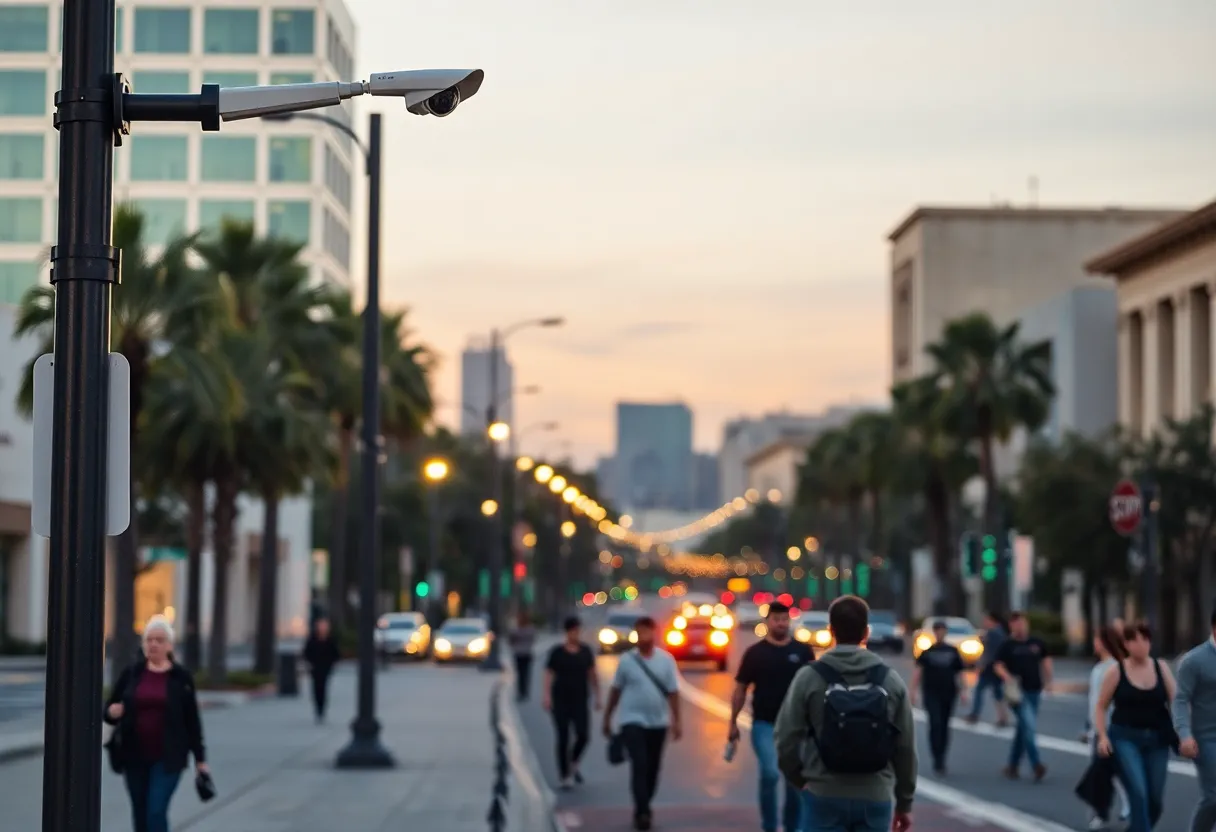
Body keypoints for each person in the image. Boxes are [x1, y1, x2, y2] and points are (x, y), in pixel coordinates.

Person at [775, 595, 917, 832]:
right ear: (866, 632)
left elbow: (785, 738)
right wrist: (904, 802)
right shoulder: (889, 680)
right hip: (875, 796)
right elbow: (905, 747)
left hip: (823, 793)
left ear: (831, 631)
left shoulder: (809, 677)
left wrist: (800, 780)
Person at [103, 615, 208, 832]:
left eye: (159, 640)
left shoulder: (181, 677)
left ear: (169, 645)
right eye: (149, 640)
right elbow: (109, 709)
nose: (153, 644)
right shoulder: (132, 674)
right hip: (134, 755)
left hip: (169, 757)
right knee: (140, 814)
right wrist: (112, 712)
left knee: (156, 811)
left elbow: (192, 721)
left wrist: (200, 760)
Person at [729, 601, 814, 832]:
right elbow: (740, 689)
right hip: (764, 724)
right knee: (770, 772)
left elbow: (814, 689)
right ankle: (769, 826)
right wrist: (733, 723)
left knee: (794, 780)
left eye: (785, 619)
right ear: (767, 622)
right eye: (776, 619)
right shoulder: (755, 653)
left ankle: (792, 826)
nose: (781, 624)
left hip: (796, 727)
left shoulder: (802, 651)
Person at [1094, 622, 1176, 832]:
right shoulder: (1116, 671)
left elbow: (1177, 702)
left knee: (1155, 799)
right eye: (1136, 640)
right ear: (1127, 644)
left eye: (1146, 639)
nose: (1142, 645)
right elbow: (1101, 706)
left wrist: (1185, 734)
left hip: (1158, 740)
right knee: (1138, 792)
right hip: (1125, 738)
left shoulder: (1161, 667)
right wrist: (1102, 736)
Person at [602, 615, 682, 831]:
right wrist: (608, 717)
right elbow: (615, 690)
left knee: (653, 768)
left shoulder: (665, 660)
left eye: (646, 631)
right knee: (640, 764)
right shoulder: (627, 661)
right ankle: (643, 811)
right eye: (639, 632)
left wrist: (677, 721)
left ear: (654, 633)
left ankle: (644, 803)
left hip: (658, 722)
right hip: (632, 720)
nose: (642, 636)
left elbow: (674, 692)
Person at [993, 611, 1052, 782]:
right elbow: (998, 665)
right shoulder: (1007, 645)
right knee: (1028, 725)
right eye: (1016, 623)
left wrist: (1049, 680)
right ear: (1011, 626)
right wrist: (1008, 677)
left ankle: (1012, 765)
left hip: (1034, 689)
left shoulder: (1036, 643)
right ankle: (1036, 763)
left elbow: (1046, 660)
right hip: (1016, 693)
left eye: (1022, 623)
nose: (1020, 626)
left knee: (1023, 728)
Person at [543, 616, 600, 790]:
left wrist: (598, 695)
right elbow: (548, 674)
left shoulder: (585, 651)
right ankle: (564, 774)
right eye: (572, 631)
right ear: (567, 632)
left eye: (577, 631)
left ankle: (573, 761)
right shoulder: (557, 652)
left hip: (580, 699)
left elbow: (592, 674)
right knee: (563, 737)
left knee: (583, 735)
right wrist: (546, 696)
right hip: (560, 700)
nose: (575, 634)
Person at [1174, 606, 1216, 832]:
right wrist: (1185, 734)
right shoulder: (1194, 660)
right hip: (1207, 739)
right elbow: (1180, 700)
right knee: (1213, 796)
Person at [1083, 625, 1130, 829]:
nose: (1094, 643)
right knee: (1104, 774)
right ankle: (1103, 812)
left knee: (1105, 774)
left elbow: (1109, 704)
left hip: (1108, 730)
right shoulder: (1099, 668)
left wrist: (1104, 731)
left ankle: (1106, 812)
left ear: (1104, 642)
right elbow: (1093, 702)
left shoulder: (1113, 668)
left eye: (1096, 639)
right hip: (1097, 730)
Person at [910, 619, 966, 776]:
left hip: (949, 692)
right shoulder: (927, 652)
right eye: (937, 630)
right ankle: (936, 757)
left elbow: (959, 672)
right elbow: (918, 671)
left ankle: (942, 757)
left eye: (942, 630)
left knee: (945, 725)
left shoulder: (953, 651)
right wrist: (913, 691)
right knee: (935, 723)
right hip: (931, 692)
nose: (940, 633)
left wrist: (964, 691)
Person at [966, 611, 1009, 727]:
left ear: (992, 621)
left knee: (980, 690)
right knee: (998, 693)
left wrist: (981, 665)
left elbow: (989, 652)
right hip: (998, 666)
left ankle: (975, 714)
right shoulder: (1002, 632)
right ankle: (1003, 717)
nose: (984, 623)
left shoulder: (993, 633)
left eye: (986, 620)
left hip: (990, 667)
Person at [302, 617, 341, 723]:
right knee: (316, 689)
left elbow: (336, 654)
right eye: (321, 625)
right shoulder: (313, 639)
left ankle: (322, 709)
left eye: (324, 626)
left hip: (326, 668)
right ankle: (317, 708)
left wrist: (332, 664)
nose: (323, 628)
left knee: (323, 688)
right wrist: (309, 663)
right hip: (315, 668)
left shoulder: (330, 640)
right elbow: (306, 653)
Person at [509, 612, 537, 701]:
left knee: (522, 674)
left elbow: (511, 640)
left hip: (521, 653)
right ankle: (524, 692)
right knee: (524, 674)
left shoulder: (517, 629)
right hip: (524, 653)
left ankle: (522, 692)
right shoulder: (530, 629)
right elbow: (533, 639)